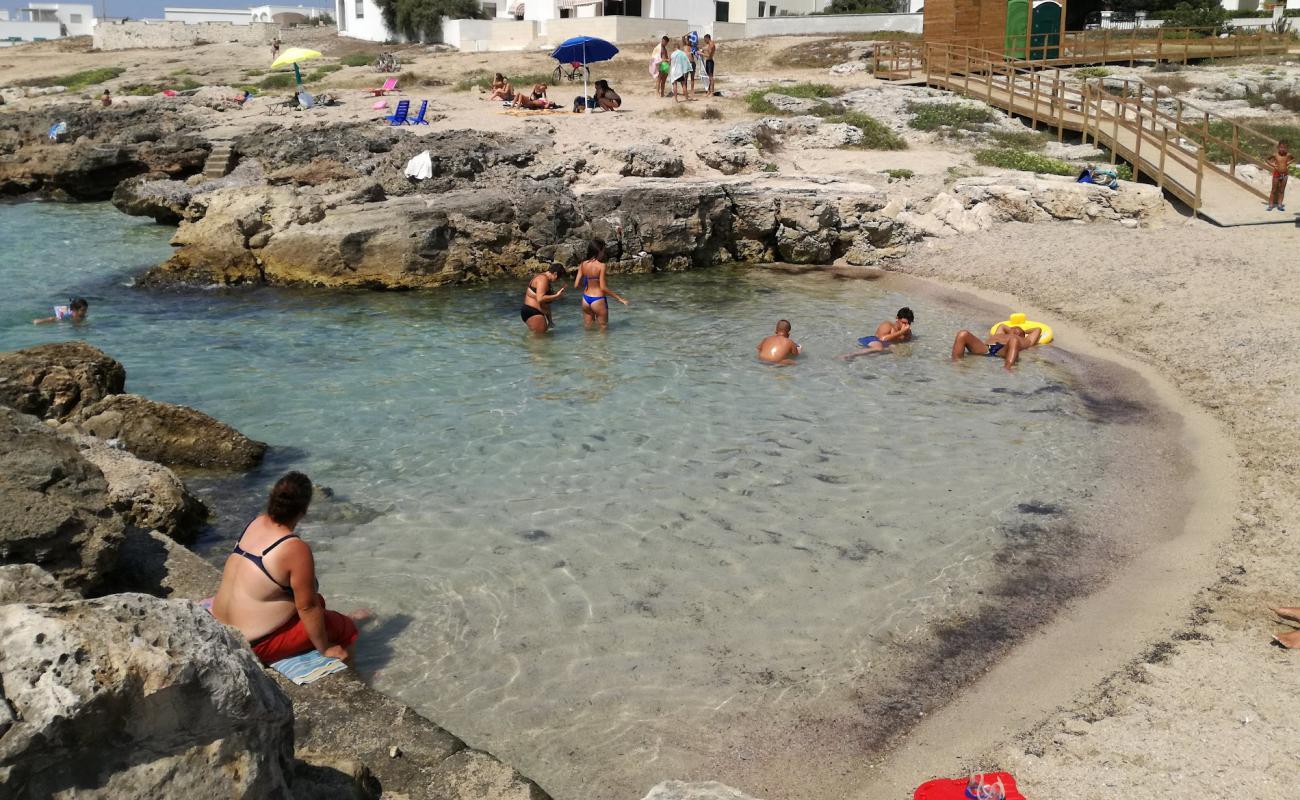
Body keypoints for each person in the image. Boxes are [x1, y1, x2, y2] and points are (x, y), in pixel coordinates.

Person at [212, 472, 360, 664]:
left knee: (318, 602)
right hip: (253, 644)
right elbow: (307, 607)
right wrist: (325, 648)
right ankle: (354, 671)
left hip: (220, 626)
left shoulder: (256, 522)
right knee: (345, 627)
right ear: (304, 510)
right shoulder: (294, 548)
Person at [574, 239, 628, 329]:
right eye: (603, 250)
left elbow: (576, 285)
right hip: (598, 299)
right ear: (598, 251)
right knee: (603, 329)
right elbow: (603, 287)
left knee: (588, 328)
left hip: (585, 299)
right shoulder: (601, 266)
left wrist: (587, 286)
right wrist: (619, 298)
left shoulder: (583, 264)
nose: (603, 253)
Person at [950, 323, 1042, 369]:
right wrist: (1012, 330)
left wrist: (1024, 331)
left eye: (1019, 331)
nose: (1016, 330)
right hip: (986, 348)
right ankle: (957, 363)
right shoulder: (998, 334)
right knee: (963, 334)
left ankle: (1008, 368)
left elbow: (1038, 329)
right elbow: (1002, 325)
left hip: (1004, 351)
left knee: (1014, 340)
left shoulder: (1026, 340)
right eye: (1013, 329)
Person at [838, 307, 914, 360]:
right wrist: (901, 332)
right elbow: (882, 338)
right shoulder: (887, 325)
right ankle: (848, 355)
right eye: (903, 323)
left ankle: (857, 359)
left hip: (885, 345)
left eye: (909, 323)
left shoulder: (907, 332)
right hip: (873, 340)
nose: (906, 325)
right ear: (897, 318)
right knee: (879, 348)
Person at [521, 263, 566, 333]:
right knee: (540, 341)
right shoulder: (543, 279)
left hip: (534, 312)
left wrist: (550, 321)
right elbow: (540, 298)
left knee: (541, 340)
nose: (557, 280)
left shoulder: (544, 279)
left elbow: (545, 303)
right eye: (558, 278)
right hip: (533, 312)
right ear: (555, 274)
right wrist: (556, 296)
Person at [1266, 140, 1293, 212]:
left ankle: (1280, 204)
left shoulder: (1288, 155)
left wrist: (1288, 163)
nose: (1282, 149)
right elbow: (1267, 159)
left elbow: (1293, 159)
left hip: (1285, 174)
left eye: (1284, 148)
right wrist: (1272, 165)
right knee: (1274, 189)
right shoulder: (1275, 155)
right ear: (1278, 147)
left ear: (1287, 148)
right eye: (1281, 147)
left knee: (1282, 190)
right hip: (1276, 173)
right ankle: (1270, 205)